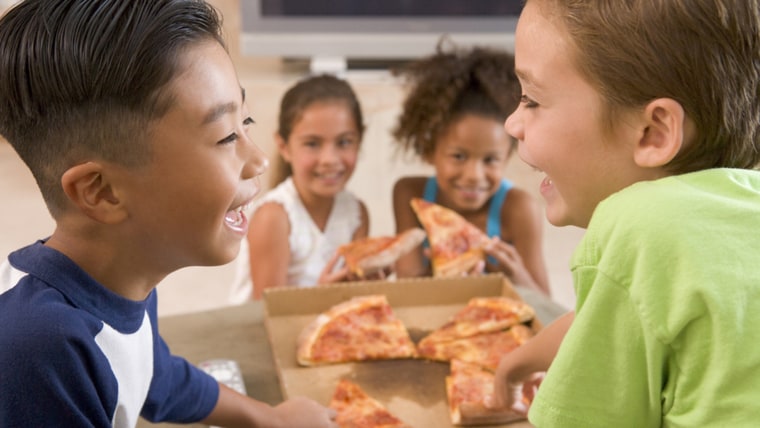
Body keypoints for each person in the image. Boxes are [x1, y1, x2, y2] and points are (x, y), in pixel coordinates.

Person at [0, 1, 336, 427]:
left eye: (245, 121)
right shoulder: (38, 348)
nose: (259, 161)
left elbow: (156, 376)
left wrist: (269, 417)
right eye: (226, 136)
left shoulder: (127, 273)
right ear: (102, 191)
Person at [488, 0, 760, 427]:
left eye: (532, 100)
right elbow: (624, 314)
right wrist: (517, 362)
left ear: (652, 133)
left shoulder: (638, 226)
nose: (512, 123)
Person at [391, 40, 550, 296]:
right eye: (458, 156)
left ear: (508, 154)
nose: (474, 176)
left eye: (490, 160)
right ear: (430, 150)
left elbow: (547, 310)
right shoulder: (410, 195)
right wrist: (448, 266)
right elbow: (407, 290)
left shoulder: (518, 209)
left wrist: (514, 275)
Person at [245, 74, 370, 300]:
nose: (330, 159)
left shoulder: (357, 213)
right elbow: (267, 315)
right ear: (284, 147)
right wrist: (322, 296)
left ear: (359, 141)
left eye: (344, 142)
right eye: (312, 144)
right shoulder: (273, 218)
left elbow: (353, 299)